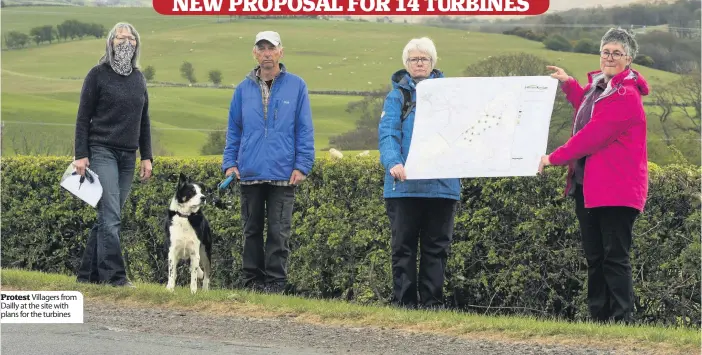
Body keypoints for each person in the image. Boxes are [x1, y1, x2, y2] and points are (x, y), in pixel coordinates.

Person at [539, 27, 649, 324]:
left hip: (616, 188)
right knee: (595, 257)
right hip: (587, 186)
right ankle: (599, 318)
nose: (609, 57)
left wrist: (553, 158)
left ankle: (621, 319)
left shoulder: (626, 95)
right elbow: (586, 109)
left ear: (629, 59)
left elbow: (592, 135)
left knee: (614, 258)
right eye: (605, 52)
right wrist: (569, 83)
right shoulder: (599, 88)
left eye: (616, 53)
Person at [222, 30, 315, 294]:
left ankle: (275, 284)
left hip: (283, 172)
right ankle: (252, 282)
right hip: (249, 172)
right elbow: (234, 130)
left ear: (280, 52)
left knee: (279, 232)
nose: (266, 54)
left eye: (271, 49)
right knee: (251, 231)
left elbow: (304, 129)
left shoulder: (297, 86)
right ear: (254, 53)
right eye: (261, 49)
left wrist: (302, 164)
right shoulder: (242, 90)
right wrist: (230, 163)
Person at [378, 37, 461, 309]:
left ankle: (432, 304)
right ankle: (404, 304)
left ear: (433, 62)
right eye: (414, 59)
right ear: (406, 64)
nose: (419, 63)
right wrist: (393, 162)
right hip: (404, 185)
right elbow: (388, 132)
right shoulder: (396, 97)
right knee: (402, 248)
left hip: (441, 185)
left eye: (424, 58)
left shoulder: (451, 94)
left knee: (436, 248)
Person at [74, 22, 153, 287]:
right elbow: (83, 117)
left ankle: (88, 276)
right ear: (110, 42)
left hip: (128, 155)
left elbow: (144, 120)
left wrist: (147, 156)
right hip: (102, 150)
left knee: (109, 216)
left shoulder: (138, 78)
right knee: (111, 217)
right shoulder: (97, 74)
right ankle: (115, 277)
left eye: (131, 38)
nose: (126, 42)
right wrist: (81, 154)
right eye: (120, 37)